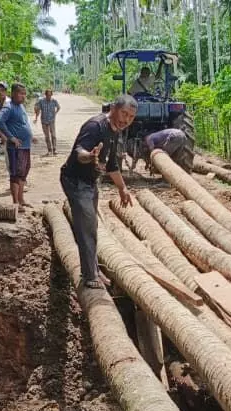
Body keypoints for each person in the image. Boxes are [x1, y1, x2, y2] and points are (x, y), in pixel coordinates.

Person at [60, 94, 138, 290]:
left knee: (92, 226)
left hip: (90, 182)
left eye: (130, 117)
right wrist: (90, 156)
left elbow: (112, 164)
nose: (125, 120)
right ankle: (89, 276)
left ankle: (93, 269)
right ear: (113, 108)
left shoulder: (115, 131)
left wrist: (122, 188)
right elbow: (79, 152)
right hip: (75, 181)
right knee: (86, 227)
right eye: (123, 114)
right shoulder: (95, 126)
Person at [0, 83, 33, 208]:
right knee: (15, 174)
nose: (23, 96)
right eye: (21, 93)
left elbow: (23, 123)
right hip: (15, 148)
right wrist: (11, 137)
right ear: (13, 94)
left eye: (24, 94)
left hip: (25, 146)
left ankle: (21, 200)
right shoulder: (9, 107)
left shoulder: (21, 106)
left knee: (23, 173)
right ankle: (15, 203)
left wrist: (31, 136)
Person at [34, 89, 61, 155]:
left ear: (51, 95)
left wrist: (55, 113)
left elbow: (58, 107)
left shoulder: (54, 101)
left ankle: (54, 149)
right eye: (47, 95)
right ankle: (49, 150)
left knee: (53, 135)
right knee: (47, 136)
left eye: (50, 95)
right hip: (44, 121)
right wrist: (36, 118)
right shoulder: (41, 101)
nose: (49, 96)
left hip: (51, 120)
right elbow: (38, 110)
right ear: (45, 95)